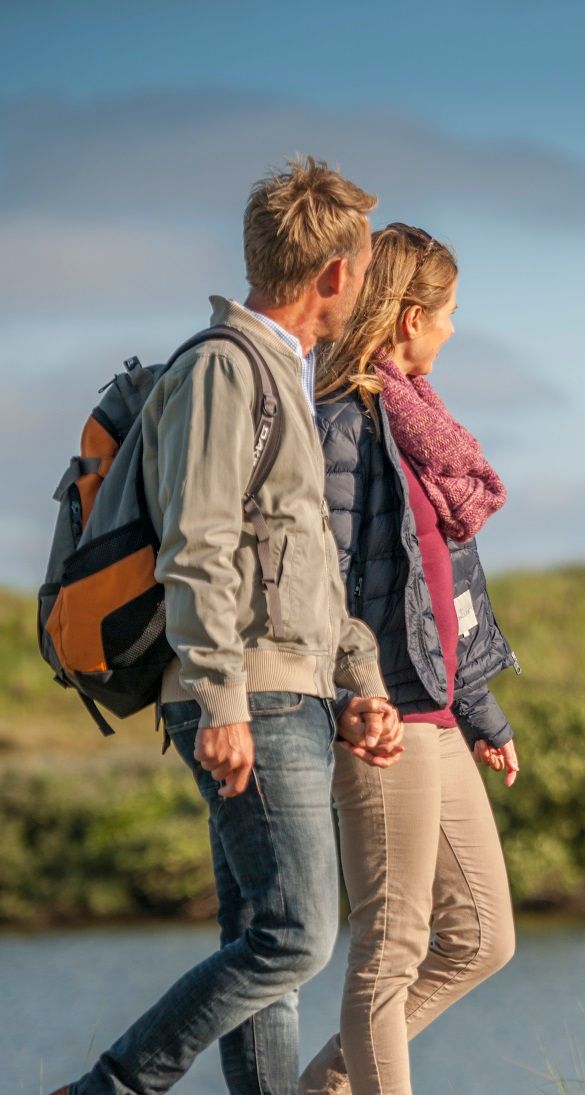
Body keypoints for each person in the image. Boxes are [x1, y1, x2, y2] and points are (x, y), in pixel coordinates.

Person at [59, 157, 406, 1095]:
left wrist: (359, 679)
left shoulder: (277, 373)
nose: (366, 285)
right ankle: (112, 1088)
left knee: (261, 947)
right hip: (249, 693)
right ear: (334, 272)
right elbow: (199, 543)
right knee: (296, 935)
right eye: (366, 267)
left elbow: (305, 566)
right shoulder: (224, 369)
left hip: (288, 685)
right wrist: (221, 698)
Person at [298, 222, 519, 1095]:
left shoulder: (419, 427)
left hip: (436, 711)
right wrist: (358, 696)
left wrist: (481, 713)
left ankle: (320, 1086)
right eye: (450, 313)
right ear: (409, 316)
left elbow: (447, 592)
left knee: (483, 936)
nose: (455, 330)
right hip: (381, 719)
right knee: (391, 944)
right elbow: (327, 590)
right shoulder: (342, 427)